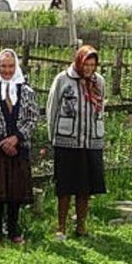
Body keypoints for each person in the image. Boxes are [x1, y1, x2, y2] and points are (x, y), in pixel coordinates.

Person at [0, 48, 40, 245]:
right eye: (3, 66)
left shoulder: (27, 92)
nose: (7, 70)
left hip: (19, 149)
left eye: (11, 66)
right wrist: (3, 140)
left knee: (15, 193)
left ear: (16, 66)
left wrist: (16, 138)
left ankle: (13, 230)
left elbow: (32, 118)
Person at [46, 44, 106, 240]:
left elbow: (101, 108)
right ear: (79, 61)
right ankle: (61, 226)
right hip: (67, 141)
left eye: (92, 64)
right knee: (65, 186)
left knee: (85, 187)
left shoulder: (99, 82)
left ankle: (81, 226)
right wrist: (52, 136)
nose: (88, 68)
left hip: (90, 142)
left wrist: (99, 134)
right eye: (86, 64)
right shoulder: (63, 79)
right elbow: (52, 107)